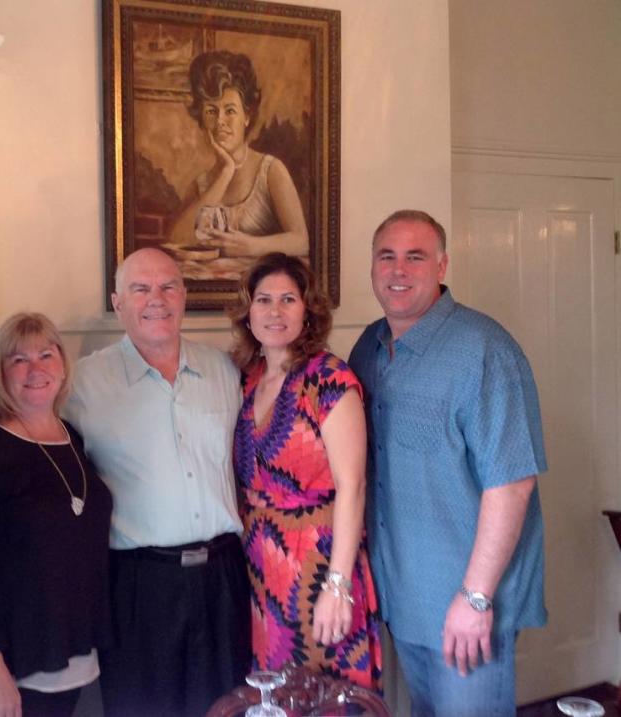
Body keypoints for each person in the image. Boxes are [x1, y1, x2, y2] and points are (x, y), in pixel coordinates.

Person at [348, 210, 547, 716]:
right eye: (386, 257)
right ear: (371, 268)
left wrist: (475, 598)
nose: (398, 270)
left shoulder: (484, 350)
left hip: (466, 607)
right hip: (401, 598)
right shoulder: (368, 348)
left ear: (441, 266)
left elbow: (512, 485)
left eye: (415, 257)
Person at [65, 248, 250, 717]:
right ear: (118, 301)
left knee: (226, 707)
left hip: (222, 579)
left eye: (168, 286)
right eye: (140, 288)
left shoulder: (225, 371)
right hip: (137, 584)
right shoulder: (83, 383)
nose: (157, 299)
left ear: (185, 296)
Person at [0, 312, 113, 717]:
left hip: (76, 657)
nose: (35, 369)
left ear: (63, 365)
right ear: (1, 372)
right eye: (18, 359)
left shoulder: (72, 436)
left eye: (46, 355)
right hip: (13, 666)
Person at [230, 252, 382, 691]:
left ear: (307, 310)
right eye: (263, 300)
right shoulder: (247, 378)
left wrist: (338, 585)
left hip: (320, 562)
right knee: (272, 692)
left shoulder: (330, 380)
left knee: (327, 693)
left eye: (288, 299)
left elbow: (353, 487)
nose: (274, 311)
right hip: (258, 564)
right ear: (248, 311)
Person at [168, 50, 309, 260]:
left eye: (230, 110)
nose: (220, 121)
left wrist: (252, 247)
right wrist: (226, 172)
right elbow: (176, 240)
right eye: (211, 111)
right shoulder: (201, 185)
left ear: (247, 117)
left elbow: (301, 242)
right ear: (201, 119)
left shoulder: (270, 171)